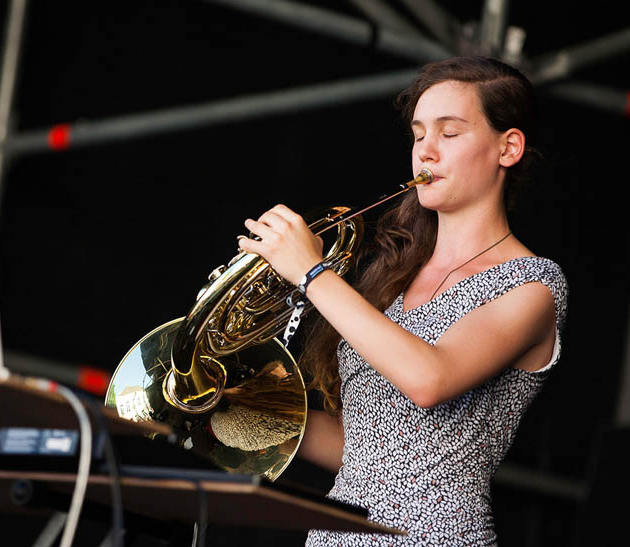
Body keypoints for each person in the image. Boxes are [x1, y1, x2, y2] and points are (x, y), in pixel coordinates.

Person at [237, 56, 568, 546]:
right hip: (337, 534)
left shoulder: (534, 284)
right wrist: (241, 417)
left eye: (449, 134)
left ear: (509, 147)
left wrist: (311, 273)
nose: (425, 152)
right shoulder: (396, 277)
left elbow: (430, 379)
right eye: (418, 135)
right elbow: (371, 447)